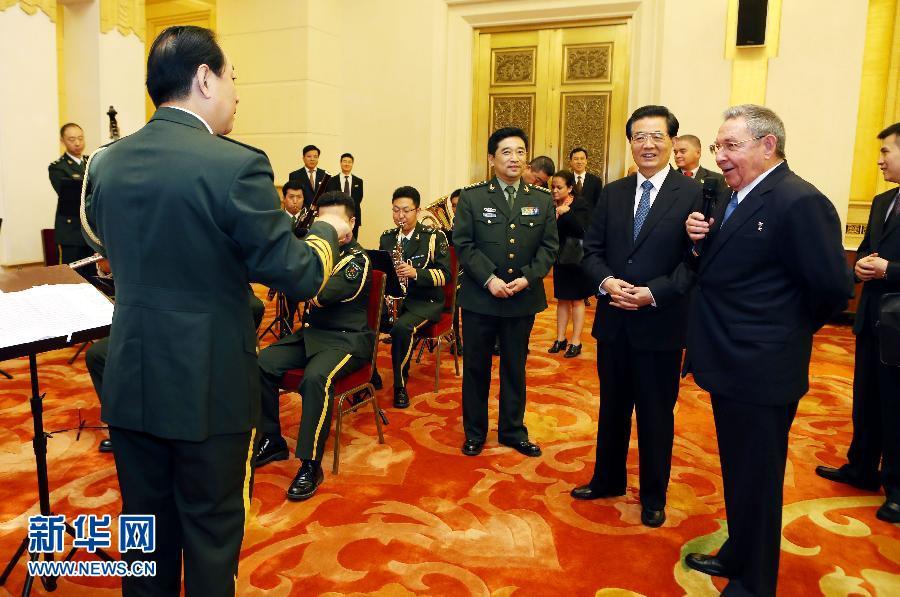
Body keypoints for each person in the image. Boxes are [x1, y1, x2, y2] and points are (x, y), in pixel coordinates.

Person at [80, 25, 351, 596]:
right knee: (210, 538)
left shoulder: (105, 164)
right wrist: (327, 229)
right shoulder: (237, 166)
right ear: (204, 79)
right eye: (232, 78)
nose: (236, 92)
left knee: (144, 542)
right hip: (209, 389)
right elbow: (298, 273)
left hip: (132, 380)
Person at [683, 104, 852, 595]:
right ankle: (739, 553)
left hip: (761, 368)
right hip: (728, 362)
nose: (720, 156)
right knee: (740, 473)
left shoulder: (798, 201)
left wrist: (779, 333)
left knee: (758, 479)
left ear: (767, 145)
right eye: (718, 146)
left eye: (730, 146)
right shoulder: (735, 196)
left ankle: (755, 584)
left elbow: (831, 287)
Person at [573, 106, 701, 528]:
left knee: (655, 413)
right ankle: (607, 479)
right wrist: (607, 282)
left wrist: (653, 293)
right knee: (611, 407)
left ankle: (652, 495)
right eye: (639, 137)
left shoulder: (693, 194)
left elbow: (695, 262)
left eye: (656, 137)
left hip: (660, 324)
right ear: (630, 143)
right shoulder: (612, 192)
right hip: (613, 320)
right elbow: (590, 252)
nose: (647, 144)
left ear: (673, 143)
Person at [254, 192, 371, 501]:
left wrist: (291, 274)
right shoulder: (316, 255)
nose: (328, 229)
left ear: (351, 223)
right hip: (313, 335)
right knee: (261, 363)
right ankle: (272, 440)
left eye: (335, 222)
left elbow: (315, 293)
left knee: (316, 378)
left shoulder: (356, 261)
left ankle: (310, 463)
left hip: (346, 340)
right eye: (323, 222)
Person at [454, 126, 558, 457]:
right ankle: (475, 431)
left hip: (521, 297)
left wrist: (528, 277)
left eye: (520, 152)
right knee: (476, 368)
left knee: (515, 367)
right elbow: (464, 244)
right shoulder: (472, 197)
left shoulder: (541, 199)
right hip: (480, 298)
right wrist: (489, 279)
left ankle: (513, 430)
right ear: (491, 159)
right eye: (507, 152)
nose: (515, 158)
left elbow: (549, 246)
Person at [815, 122, 900, 523]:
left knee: (897, 406)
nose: (880, 159)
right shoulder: (883, 201)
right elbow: (868, 250)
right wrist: (865, 264)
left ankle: (896, 488)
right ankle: (862, 467)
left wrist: (890, 269)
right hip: (872, 319)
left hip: (899, 322)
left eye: (886, 152)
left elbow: (890, 264)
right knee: (866, 399)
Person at [86, 291, 265, 454]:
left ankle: (181, 433)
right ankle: (128, 429)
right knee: (99, 355)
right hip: (152, 319)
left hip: (197, 322)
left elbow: (254, 306)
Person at [373, 186, 451, 408]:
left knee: (401, 328)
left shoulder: (434, 237)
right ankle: (371, 373)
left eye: (406, 210)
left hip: (425, 301)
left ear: (417, 210)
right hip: (397, 300)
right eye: (396, 210)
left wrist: (416, 273)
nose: (400, 216)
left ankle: (399, 385)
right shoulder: (387, 238)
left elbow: (445, 275)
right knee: (364, 319)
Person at [547, 169, 591, 358]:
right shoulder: (549, 204)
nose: (555, 191)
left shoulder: (581, 204)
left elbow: (583, 230)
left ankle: (576, 341)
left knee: (577, 300)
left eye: (559, 187)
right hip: (560, 258)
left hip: (577, 259)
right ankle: (560, 338)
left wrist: (567, 213)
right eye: (553, 187)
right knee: (562, 299)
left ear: (570, 188)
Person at [49, 123, 93, 265]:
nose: (78, 143)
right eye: (72, 139)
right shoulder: (58, 167)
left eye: (80, 138)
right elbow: (71, 196)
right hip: (71, 231)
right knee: (73, 277)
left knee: (94, 277)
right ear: (62, 141)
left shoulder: (91, 161)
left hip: (91, 229)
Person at [325, 152, 364, 238]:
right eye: (344, 161)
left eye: (349, 162)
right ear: (340, 163)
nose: (347, 164)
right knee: (337, 240)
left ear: (352, 164)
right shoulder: (332, 180)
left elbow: (359, 198)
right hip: (336, 216)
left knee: (353, 240)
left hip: (353, 216)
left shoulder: (358, 181)